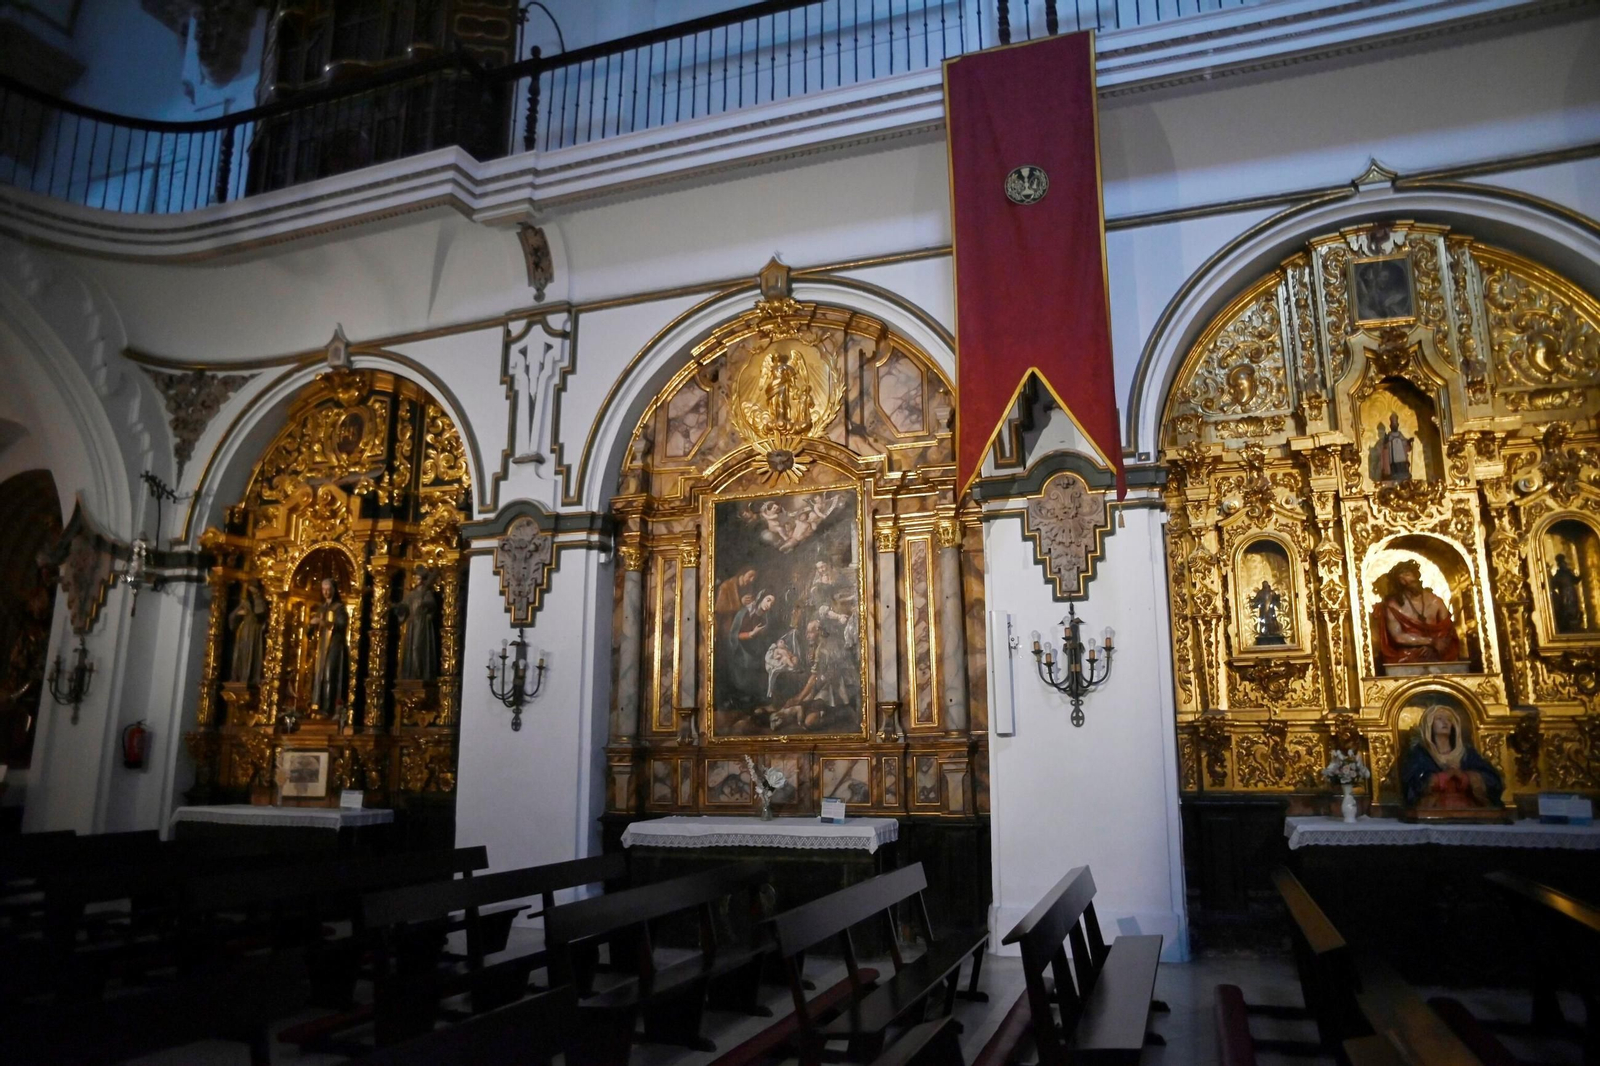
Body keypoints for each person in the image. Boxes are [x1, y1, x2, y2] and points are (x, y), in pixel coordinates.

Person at [1400, 703, 1503, 809]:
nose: (1445, 723)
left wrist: (1466, 777)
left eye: (1449, 720)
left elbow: (1493, 780)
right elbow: (1411, 784)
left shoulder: (1466, 753)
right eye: (1439, 719)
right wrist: (1440, 778)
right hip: (1434, 808)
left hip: (1468, 808)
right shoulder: (1420, 754)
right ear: (1429, 724)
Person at [1373, 560, 1461, 666]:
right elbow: (1398, 637)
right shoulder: (1393, 606)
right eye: (1401, 578)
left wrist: (1434, 647)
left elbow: (1448, 631)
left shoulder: (1435, 602)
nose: (1406, 580)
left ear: (1417, 576)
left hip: (1437, 652)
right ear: (1398, 583)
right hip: (1407, 656)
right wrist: (1431, 642)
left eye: (1408, 575)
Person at [309, 577, 348, 716]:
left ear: (334, 590)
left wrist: (324, 622)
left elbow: (342, 625)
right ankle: (317, 705)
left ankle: (329, 708)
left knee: (329, 674)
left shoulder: (339, 608)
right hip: (322, 645)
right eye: (323, 589)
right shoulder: (321, 608)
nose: (325, 592)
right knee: (318, 675)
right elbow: (312, 630)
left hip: (334, 645)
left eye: (328, 589)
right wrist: (311, 626)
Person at [392, 568, 438, 681]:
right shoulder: (411, 594)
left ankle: (419, 673)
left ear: (422, 580)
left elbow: (432, 604)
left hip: (421, 622)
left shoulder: (426, 592)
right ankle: (410, 673)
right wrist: (397, 607)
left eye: (418, 578)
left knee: (417, 647)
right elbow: (404, 607)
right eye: (415, 578)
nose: (416, 580)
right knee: (410, 648)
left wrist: (424, 604)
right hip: (411, 623)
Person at [228, 579, 268, 684]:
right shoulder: (245, 602)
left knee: (253, 652)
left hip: (255, 631)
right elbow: (232, 616)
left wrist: (257, 597)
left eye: (253, 587)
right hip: (244, 630)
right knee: (242, 653)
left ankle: (251, 677)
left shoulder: (260, 601)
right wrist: (238, 614)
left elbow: (261, 613)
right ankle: (239, 676)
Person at [715, 567, 758, 639]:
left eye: (753, 577)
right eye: (750, 576)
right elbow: (719, 608)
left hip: (740, 628)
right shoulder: (726, 586)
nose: (752, 579)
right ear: (743, 573)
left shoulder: (749, 588)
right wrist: (740, 602)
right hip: (726, 627)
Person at [1551, 553, 1586, 632]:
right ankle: (1568, 625)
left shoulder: (1568, 573)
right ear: (1560, 565)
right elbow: (1553, 585)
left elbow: (1575, 580)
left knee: (1574, 607)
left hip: (1572, 593)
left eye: (1565, 563)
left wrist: (1582, 575)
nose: (1565, 565)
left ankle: (1575, 623)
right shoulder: (1558, 575)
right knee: (1567, 608)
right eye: (1563, 564)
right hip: (1564, 595)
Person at [1377, 414, 1414, 482]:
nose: (1394, 426)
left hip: (1401, 455)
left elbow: (1405, 442)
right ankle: (1394, 473)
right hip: (1393, 455)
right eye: (1393, 424)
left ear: (1398, 425)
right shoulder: (1389, 435)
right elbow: (1385, 446)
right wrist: (1386, 442)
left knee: (1402, 465)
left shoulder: (1400, 434)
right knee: (1394, 465)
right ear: (1390, 426)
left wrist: (1409, 441)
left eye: (1395, 424)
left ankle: (1403, 473)